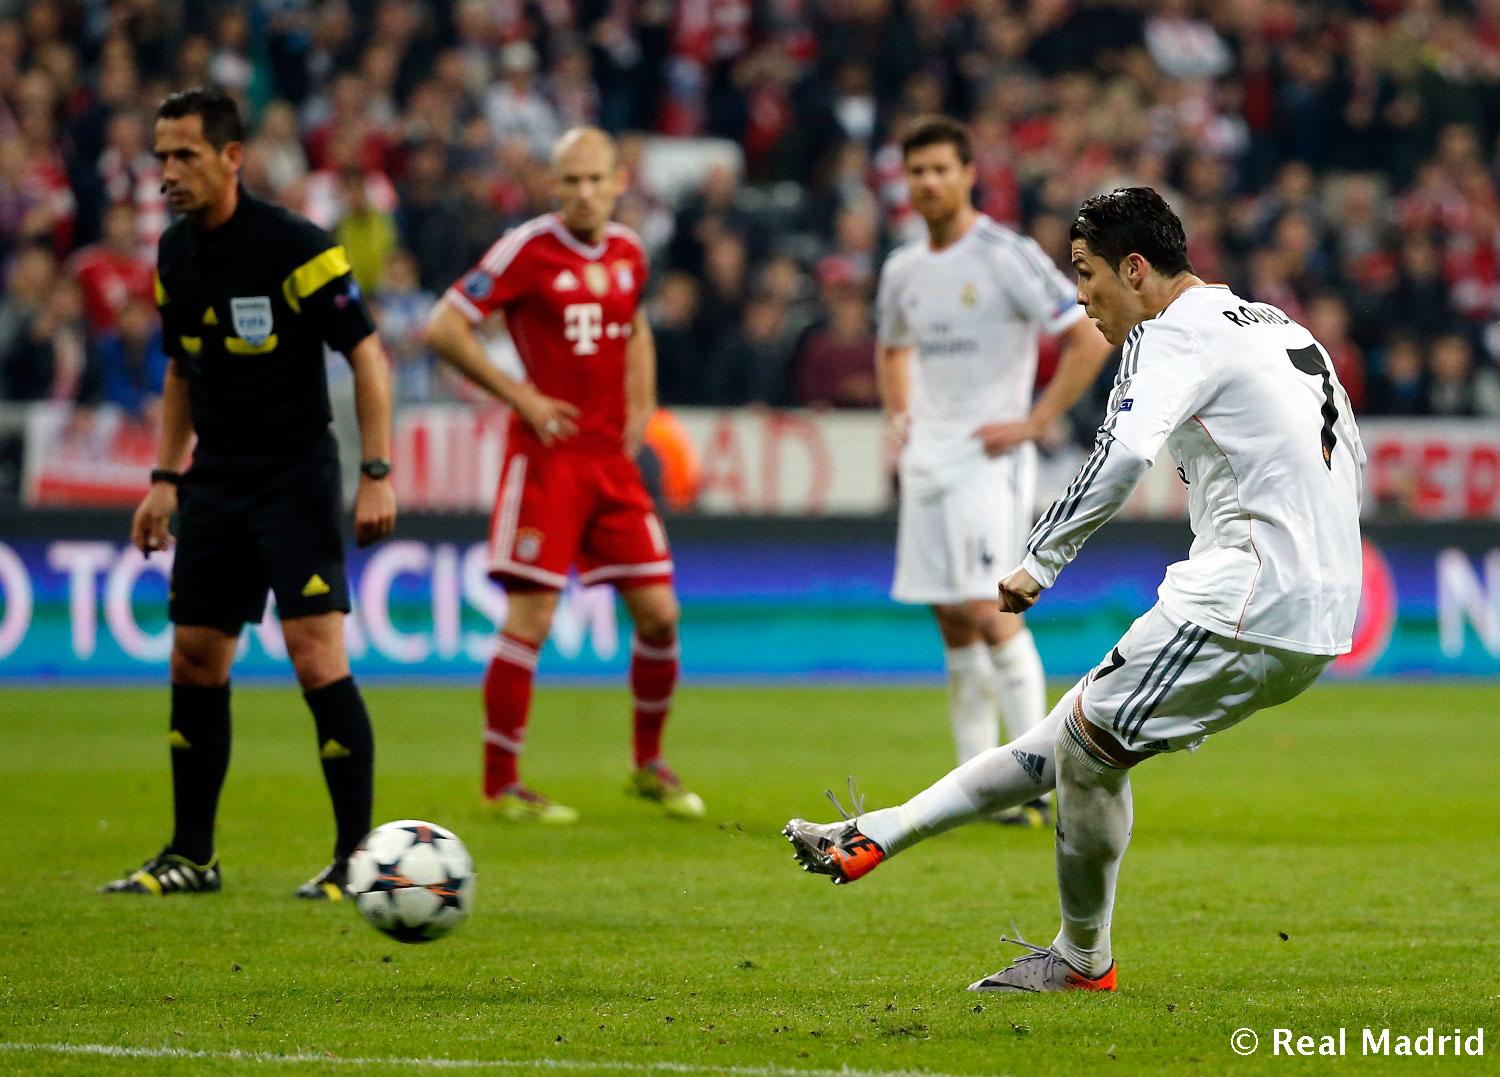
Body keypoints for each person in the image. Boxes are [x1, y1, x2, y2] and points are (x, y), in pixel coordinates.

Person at [784, 188, 1365, 993]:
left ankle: (1082, 959)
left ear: (1136, 269)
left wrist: (1039, 559)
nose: (1082, 296)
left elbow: (1122, 455)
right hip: (1319, 598)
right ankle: (878, 832)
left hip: (1249, 593)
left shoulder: (1169, 335)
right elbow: (1349, 455)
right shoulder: (1278, 325)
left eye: (1088, 275)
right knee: (1068, 734)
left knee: (1090, 749)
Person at [102, 88, 397, 900]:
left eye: (185, 154)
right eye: (161, 156)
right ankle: (191, 855)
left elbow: (367, 356)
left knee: (315, 657)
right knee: (194, 656)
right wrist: (164, 479)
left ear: (232, 157)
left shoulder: (297, 247)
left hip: (294, 477)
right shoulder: (174, 254)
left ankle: (356, 861)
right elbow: (179, 369)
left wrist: (377, 470)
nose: (168, 171)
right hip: (217, 480)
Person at [424, 126, 702, 824]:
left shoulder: (631, 251)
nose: (583, 192)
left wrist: (642, 405)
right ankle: (502, 783)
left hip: (610, 462)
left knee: (661, 615)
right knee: (532, 617)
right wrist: (521, 395)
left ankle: (647, 764)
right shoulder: (527, 248)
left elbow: (634, 326)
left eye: (595, 180)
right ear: (553, 185)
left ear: (617, 183)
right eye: (570, 180)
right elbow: (444, 327)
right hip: (546, 460)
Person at [874, 116, 1111, 822]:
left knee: (990, 609)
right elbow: (892, 346)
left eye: (941, 169)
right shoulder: (903, 268)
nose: (929, 183)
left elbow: (1085, 336)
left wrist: (1037, 422)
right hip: (929, 461)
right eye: (917, 171)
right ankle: (980, 787)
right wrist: (897, 416)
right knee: (951, 618)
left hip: (989, 459)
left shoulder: (1005, 254)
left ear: (968, 173)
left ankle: (1036, 773)